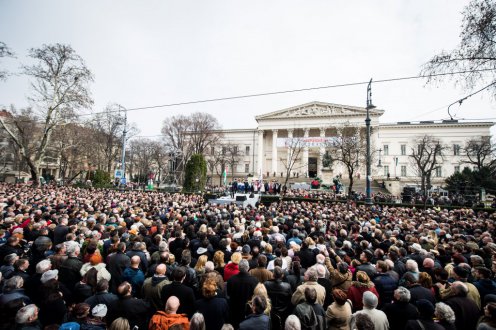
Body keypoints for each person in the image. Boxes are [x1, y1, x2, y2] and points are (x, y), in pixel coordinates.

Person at [227, 259, 259, 329]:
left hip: (235, 311)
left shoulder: (231, 280)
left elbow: (228, 294)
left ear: (239, 268)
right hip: (248, 312)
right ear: (248, 268)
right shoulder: (254, 280)